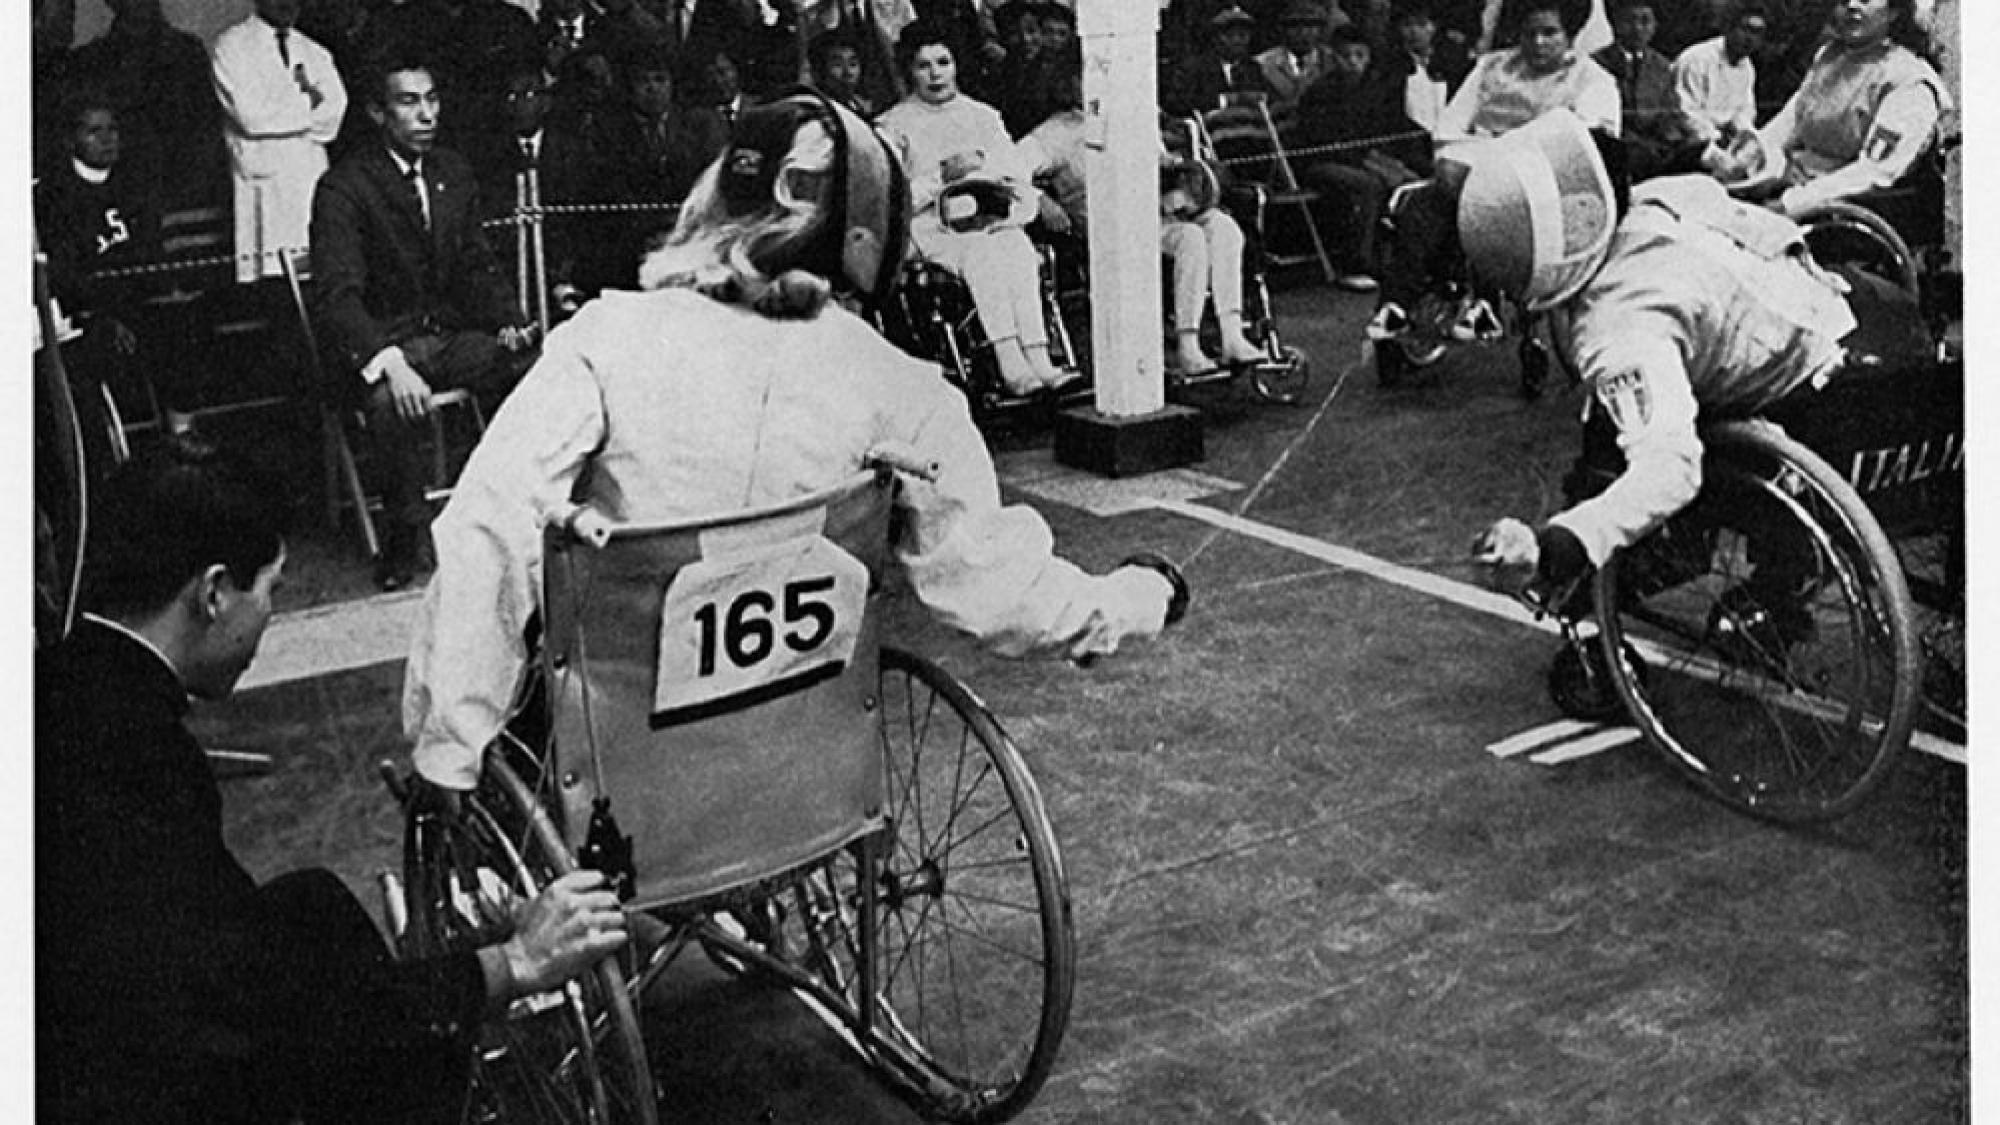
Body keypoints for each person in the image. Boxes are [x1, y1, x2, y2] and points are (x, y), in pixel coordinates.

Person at [402, 90, 1187, 791]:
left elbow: (488, 533)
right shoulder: (903, 387)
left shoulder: (604, 339)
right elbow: (997, 584)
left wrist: (450, 747)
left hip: (614, 757)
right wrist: (1130, 600)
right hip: (799, 769)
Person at [38, 435, 628, 1125]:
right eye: (272, 591)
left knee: (312, 904)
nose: (270, 618)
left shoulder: (67, 688)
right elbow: (242, 1009)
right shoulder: (135, 760)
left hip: (87, 1023)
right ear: (214, 592)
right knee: (359, 1015)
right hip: (116, 1078)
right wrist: (512, 963)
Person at [1463, 110, 1865, 608]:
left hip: (1781, 388)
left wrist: (1564, 541)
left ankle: (1602, 583)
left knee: (1610, 432)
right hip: (1827, 325)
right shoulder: (1673, 192)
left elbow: (1672, 470)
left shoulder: (1618, 326)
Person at [309, 54, 539, 591]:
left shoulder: (451, 172)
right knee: (393, 404)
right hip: (381, 346)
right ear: (377, 112)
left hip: (444, 337)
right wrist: (388, 363)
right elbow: (338, 297)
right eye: (409, 102)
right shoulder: (344, 187)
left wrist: (509, 320)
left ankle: (515, 510)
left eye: (431, 99)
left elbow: (475, 262)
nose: (426, 114)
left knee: (531, 367)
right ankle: (403, 536)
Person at [1017, 66, 1266, 375]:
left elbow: (1160, 165)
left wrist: (1174, 169)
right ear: (1069, 83)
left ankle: (1232, 334)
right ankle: (1188, 346)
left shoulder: (1133, 117)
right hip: (1106, 226)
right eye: (1088, 76)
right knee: (1190, 238)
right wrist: (1042, 201)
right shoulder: (1053, 134)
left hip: (1156, 213)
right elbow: (1009, 171)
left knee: (1223, 227)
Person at [877, 22, 1078, 395]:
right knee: (984, 251)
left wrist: (995, 185)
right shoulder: (894, 124)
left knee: (1016, 247)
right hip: (934, 230)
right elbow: (893, 198)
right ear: (909, 71)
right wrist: (941, 176)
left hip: (989, 220)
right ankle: (1010, 362)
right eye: (923, 65)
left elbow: (1016, 177)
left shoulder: (984, 117)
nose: (935, 74)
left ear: (956, 65)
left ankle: (1039, 357)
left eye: (943, 62)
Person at [1732, 0, 1949, 222]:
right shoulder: (1830, 57)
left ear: (1893, 11)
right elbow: (1790, 123)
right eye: (1842, 1)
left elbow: (1874, 172)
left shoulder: (1908, 81)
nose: (1852, 5)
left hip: (1838, 205)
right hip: (1789, 180)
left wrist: (1789, 203)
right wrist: (1747, 160)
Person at [211, 0, 349, 282]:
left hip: (310, 177)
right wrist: (309, 101)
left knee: (320, 278)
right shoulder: (231, 47)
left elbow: (333, 116)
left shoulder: (315, 51)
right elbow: (251, 117)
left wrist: (280, 106)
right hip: (265, 189)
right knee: (273, 283)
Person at [1294, 23, 1432, 290]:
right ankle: (1357, 262)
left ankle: (1408, 261)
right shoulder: (1320, 92)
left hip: (1368, 158)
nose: (1354, 63)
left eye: (1360, 56)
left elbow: (1396, 125)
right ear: (1335, 58)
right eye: (1347, 56)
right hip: (1324, 161)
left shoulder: (1376, 89)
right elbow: (1316, 139)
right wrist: (1368, 161)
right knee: (1369, 185)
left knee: (1413, 180)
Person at [68, 0, 226, 208]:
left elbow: (208, 132)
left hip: (187, 200)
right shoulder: (90, 61)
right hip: (120, 202)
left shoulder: (188, 53)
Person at [1435, 0, 1620, 143]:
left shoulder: (1592, 78)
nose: (1538, 42)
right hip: (1483, 167)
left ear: (1569, 36)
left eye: (1549, 33)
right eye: (1529, 34)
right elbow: (1449, 127)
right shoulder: (1490, 66)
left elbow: (1590, 141)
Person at [1592, 0, 1703, 179]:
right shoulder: (1598, 63)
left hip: (1658, 147)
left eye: (1645, 22)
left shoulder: (1661, 66)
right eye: (1629, 21)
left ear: (1654, 26)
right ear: (1616, 24)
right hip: (1621, 149)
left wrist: (1673, 138)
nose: (1637, 29)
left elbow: (1671, 112)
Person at [1670, 0, 1767, 161]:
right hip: (1689, 141)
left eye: (1757, 33)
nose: (1750, 39)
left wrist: (1743, 137)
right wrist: (1715, 138)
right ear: (1729, 28)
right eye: (1745, 30)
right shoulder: (1697, 59)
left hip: (1724, 141)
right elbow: (1685, 113)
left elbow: (1744, 111)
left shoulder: (1747, 67)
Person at [1162, 4, 1278, 118]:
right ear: (1215, 38)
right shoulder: (1194, 68)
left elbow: (1271, 101)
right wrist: (1222, 100)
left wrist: (1262, 99)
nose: (1237, 40)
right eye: (1229, 35)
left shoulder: (1253, 68)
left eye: (1243, 35)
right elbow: (1175, 103)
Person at [1256, 0, 1334, 114]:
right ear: (1282, 30)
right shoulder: (1262, 64)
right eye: (1294, 26)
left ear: (1321, 30)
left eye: (1310, 26)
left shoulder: (1333, 61)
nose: (1303, 33)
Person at [809, 27, 879, 116]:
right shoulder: (819, 114)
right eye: (837, 64)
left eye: (853, 64)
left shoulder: (858, 105)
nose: (848, 72)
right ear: (818, 73)